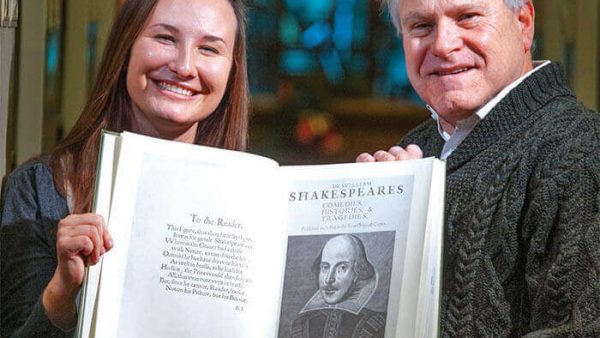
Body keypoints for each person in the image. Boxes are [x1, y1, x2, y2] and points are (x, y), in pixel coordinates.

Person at [0, 0, 248, 336]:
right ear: (125, 47)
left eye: (208, 48)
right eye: (165, 38)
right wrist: (62, 292)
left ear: (231, 69)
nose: (185, 66)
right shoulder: (39, 191)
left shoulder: (252, 203)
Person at [357, 0, 600, 336]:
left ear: (524, 23)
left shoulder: (583, 150)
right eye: (422, 26)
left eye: (467, 17)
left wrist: (430, 240)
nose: (443, 44)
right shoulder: (410, 152)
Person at [290, 235, 386, 338]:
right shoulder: (301, 323)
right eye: (325, 267)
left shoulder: (375, 325)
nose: (329, 279)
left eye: (342, 268)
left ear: (357, 272)